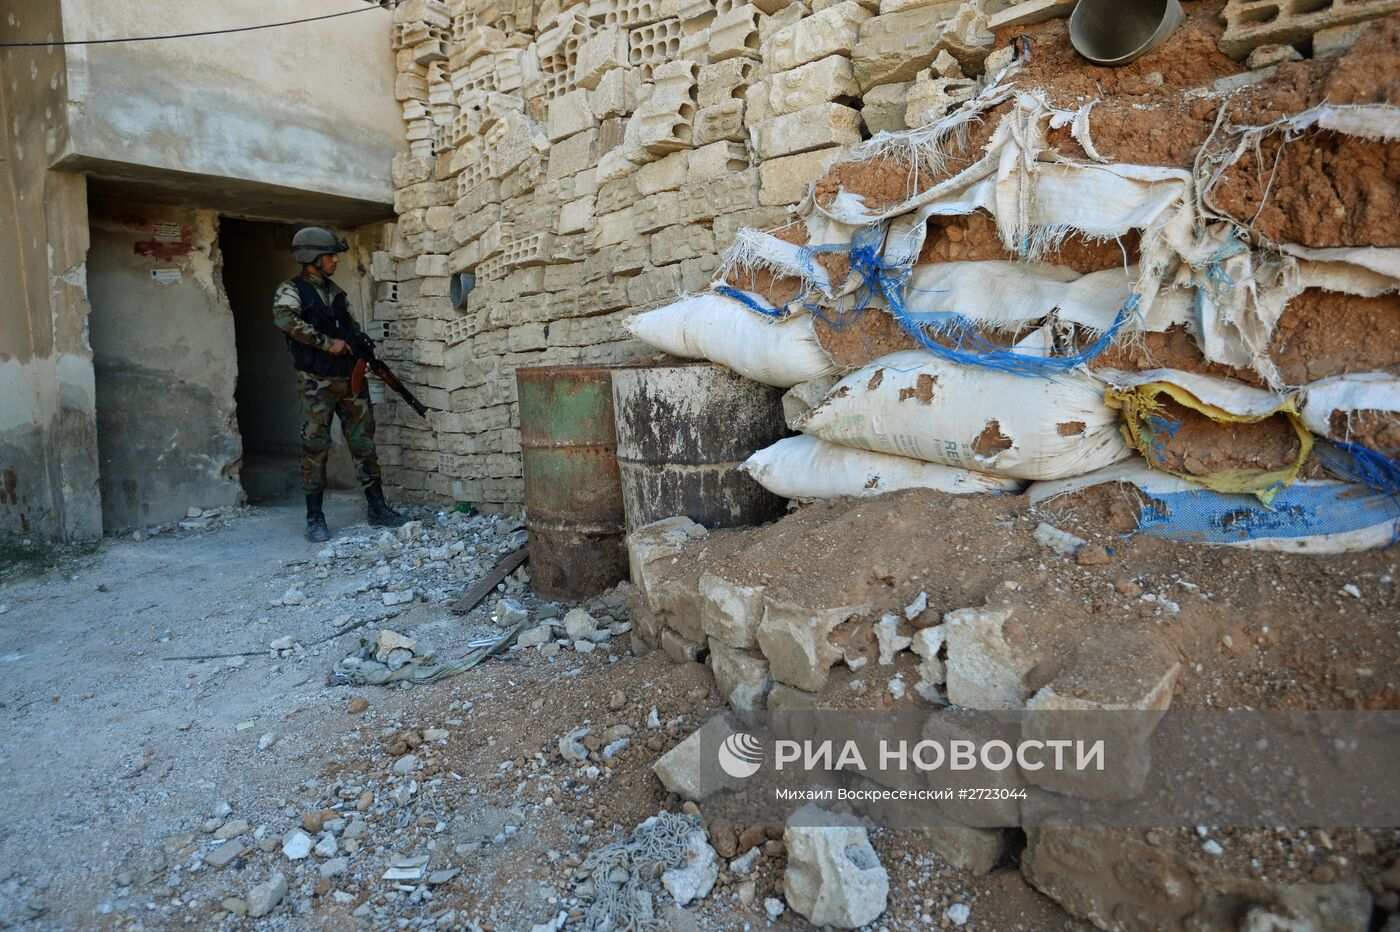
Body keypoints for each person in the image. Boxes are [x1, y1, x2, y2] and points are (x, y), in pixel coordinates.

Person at [273, 227, 408, 541]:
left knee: (364, 445)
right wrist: (325, 342)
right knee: (315, 448)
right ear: (311, 257)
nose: (335, 259)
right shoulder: (291, 290)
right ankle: (315, 518)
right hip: (315, 383)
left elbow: (353, 332)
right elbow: (284, 320)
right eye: (330, 254)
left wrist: (366, 359)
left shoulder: (336, 294)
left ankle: (378, 509)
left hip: (350, 381)